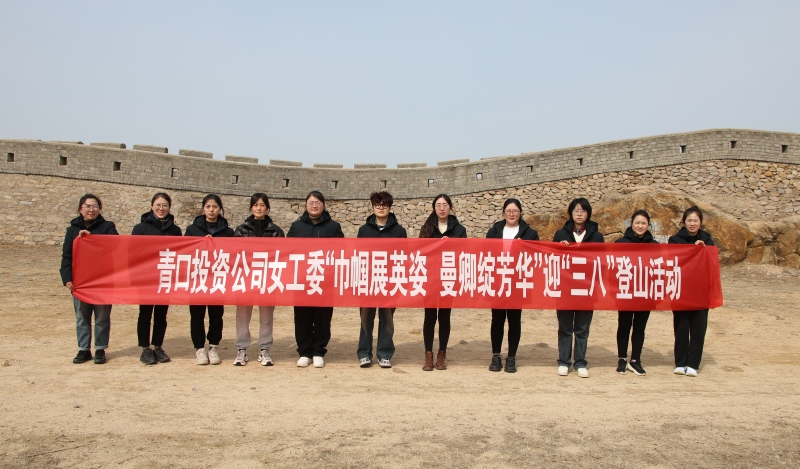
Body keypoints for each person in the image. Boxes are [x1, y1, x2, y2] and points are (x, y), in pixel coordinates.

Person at [286, 191, 344, 368]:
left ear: (324, 205)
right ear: (306, 205)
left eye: (318, 202)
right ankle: (304, 352)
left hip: (325, 280)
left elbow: (341, 251)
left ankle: (318, 351)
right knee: (302, 317)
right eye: (311, 202)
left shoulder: (333, 227)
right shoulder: (296, 227)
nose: (314, 205)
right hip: (302, 280)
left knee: (322, 318)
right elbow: (287, 251)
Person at [60, 194, 118, 364]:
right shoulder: (72, 230)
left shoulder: (108, 227)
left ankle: (100, 348)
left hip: (103, 280)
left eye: (95, 206)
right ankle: (83, 349)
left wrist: (91, 238)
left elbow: (115, 245)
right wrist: (67, 278)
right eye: (88, 206)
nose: (91, 210)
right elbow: (67, 256)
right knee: (82, 317)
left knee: (102, 317)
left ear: (99, 209)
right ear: (81, 209)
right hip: (81, 281)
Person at [485, 198, 539, 373]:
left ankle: (511, 357)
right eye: (508, 211)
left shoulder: (530, 233)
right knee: (497, 319)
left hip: (518, 281)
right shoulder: (494, 231)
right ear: (503, 213)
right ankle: (496, 355)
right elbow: (485, 253)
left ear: (520, 213)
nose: (512, 214)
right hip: (498, 281)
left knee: (514, 319)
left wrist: (523, 248)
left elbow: (536, 257)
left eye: (515, 211)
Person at [553, 197, 604, 378]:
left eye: (583, 211)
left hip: (586, 289)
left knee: (582, 329)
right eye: (576, 211)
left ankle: (580, 362)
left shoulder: (597, 236)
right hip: (566, 288)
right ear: (571, 213)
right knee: (565, 328)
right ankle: (564, 361)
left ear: (588, 213)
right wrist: (560, 248)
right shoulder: (560, 234)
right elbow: (552, 259)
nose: (579, 214)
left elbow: (602, 262)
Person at [232, 193, 285, 367]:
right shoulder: (241, 230)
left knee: (266, 315)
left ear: (267, 208)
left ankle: (264, 349)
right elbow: (234, 253)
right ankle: (241, 349)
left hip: (268, 279)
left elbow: (282, 254)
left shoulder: (276, 231)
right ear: (251, 207)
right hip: (246, 278)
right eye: (255, 205)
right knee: (242, 314)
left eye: (262, 205)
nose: (259, 208)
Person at [356, 191, 407, 369]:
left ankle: (384, 354)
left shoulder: (399, 231)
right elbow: (358, 255)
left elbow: (404, 256)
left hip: (390, 282)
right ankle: (364, 353)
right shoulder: (364, 230)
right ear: (372, 207)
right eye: (377, 205)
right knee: (365, 319)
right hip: (368, 281)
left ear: (390, 207)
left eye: (384, 205)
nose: (381, 208)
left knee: (387, 319)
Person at [132, 192, 183, 365]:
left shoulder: (175, 231)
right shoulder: (140, 229)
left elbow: (179, 254)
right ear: (152, 206)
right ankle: (145, 348)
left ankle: (158, 346)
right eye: (158, 205)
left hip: (165, 277)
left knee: (161, 315)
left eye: (165, 205)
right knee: (145, 314)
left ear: (169, 207)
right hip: (146, 279)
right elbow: (134, 255)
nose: (161, 208)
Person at [418, 194, 467, 371]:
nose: (441, 208)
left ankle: (442, 354)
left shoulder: (459, 229)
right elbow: (420, 251)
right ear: (434, 208)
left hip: (449, 278)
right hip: (430, 278)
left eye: (445, 205)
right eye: (438, 205)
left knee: (444, 317)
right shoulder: (427, 228)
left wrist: (450, 244)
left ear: (450, 207)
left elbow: (464, 252)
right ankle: (428, 355)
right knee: (430, 317)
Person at [185, 194, 234, 365]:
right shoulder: (192, 230)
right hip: (197, 278)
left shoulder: (228, 232)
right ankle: (199, 348)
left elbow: (232, 254)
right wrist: (201, 244)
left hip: (217, 278)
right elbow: (185, 252)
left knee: (216, 314)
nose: (211, 210)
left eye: (215, 207)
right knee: (197, 315)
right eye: (208, 207)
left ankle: (213, 347)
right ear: (203, 209)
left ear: (220, 209)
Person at [669, 206, 715, 378]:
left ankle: (693, 364)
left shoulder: (708, 241)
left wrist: (702, 249)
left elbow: (711, 264)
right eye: (689, 220)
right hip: (681, 290)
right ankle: (680, 362)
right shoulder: (674, 240)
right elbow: (673, 259)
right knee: (681, 327)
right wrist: (692, 248)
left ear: (700, 222)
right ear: (684, 222)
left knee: (698, 329)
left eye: (696, 220)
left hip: (701, 291)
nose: (692, 223)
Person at [614, 209, 659, 376]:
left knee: (640, 328)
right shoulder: (620, 243)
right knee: (624, 326)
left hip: (645, 292)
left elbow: (659, 270)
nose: (640, 226)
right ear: (631, 223)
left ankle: (635, 360)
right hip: (625, 291)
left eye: (644, 223)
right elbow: (612, 268)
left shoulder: (654, 246)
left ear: (648, 225)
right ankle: (622, 359)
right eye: (637, 222)